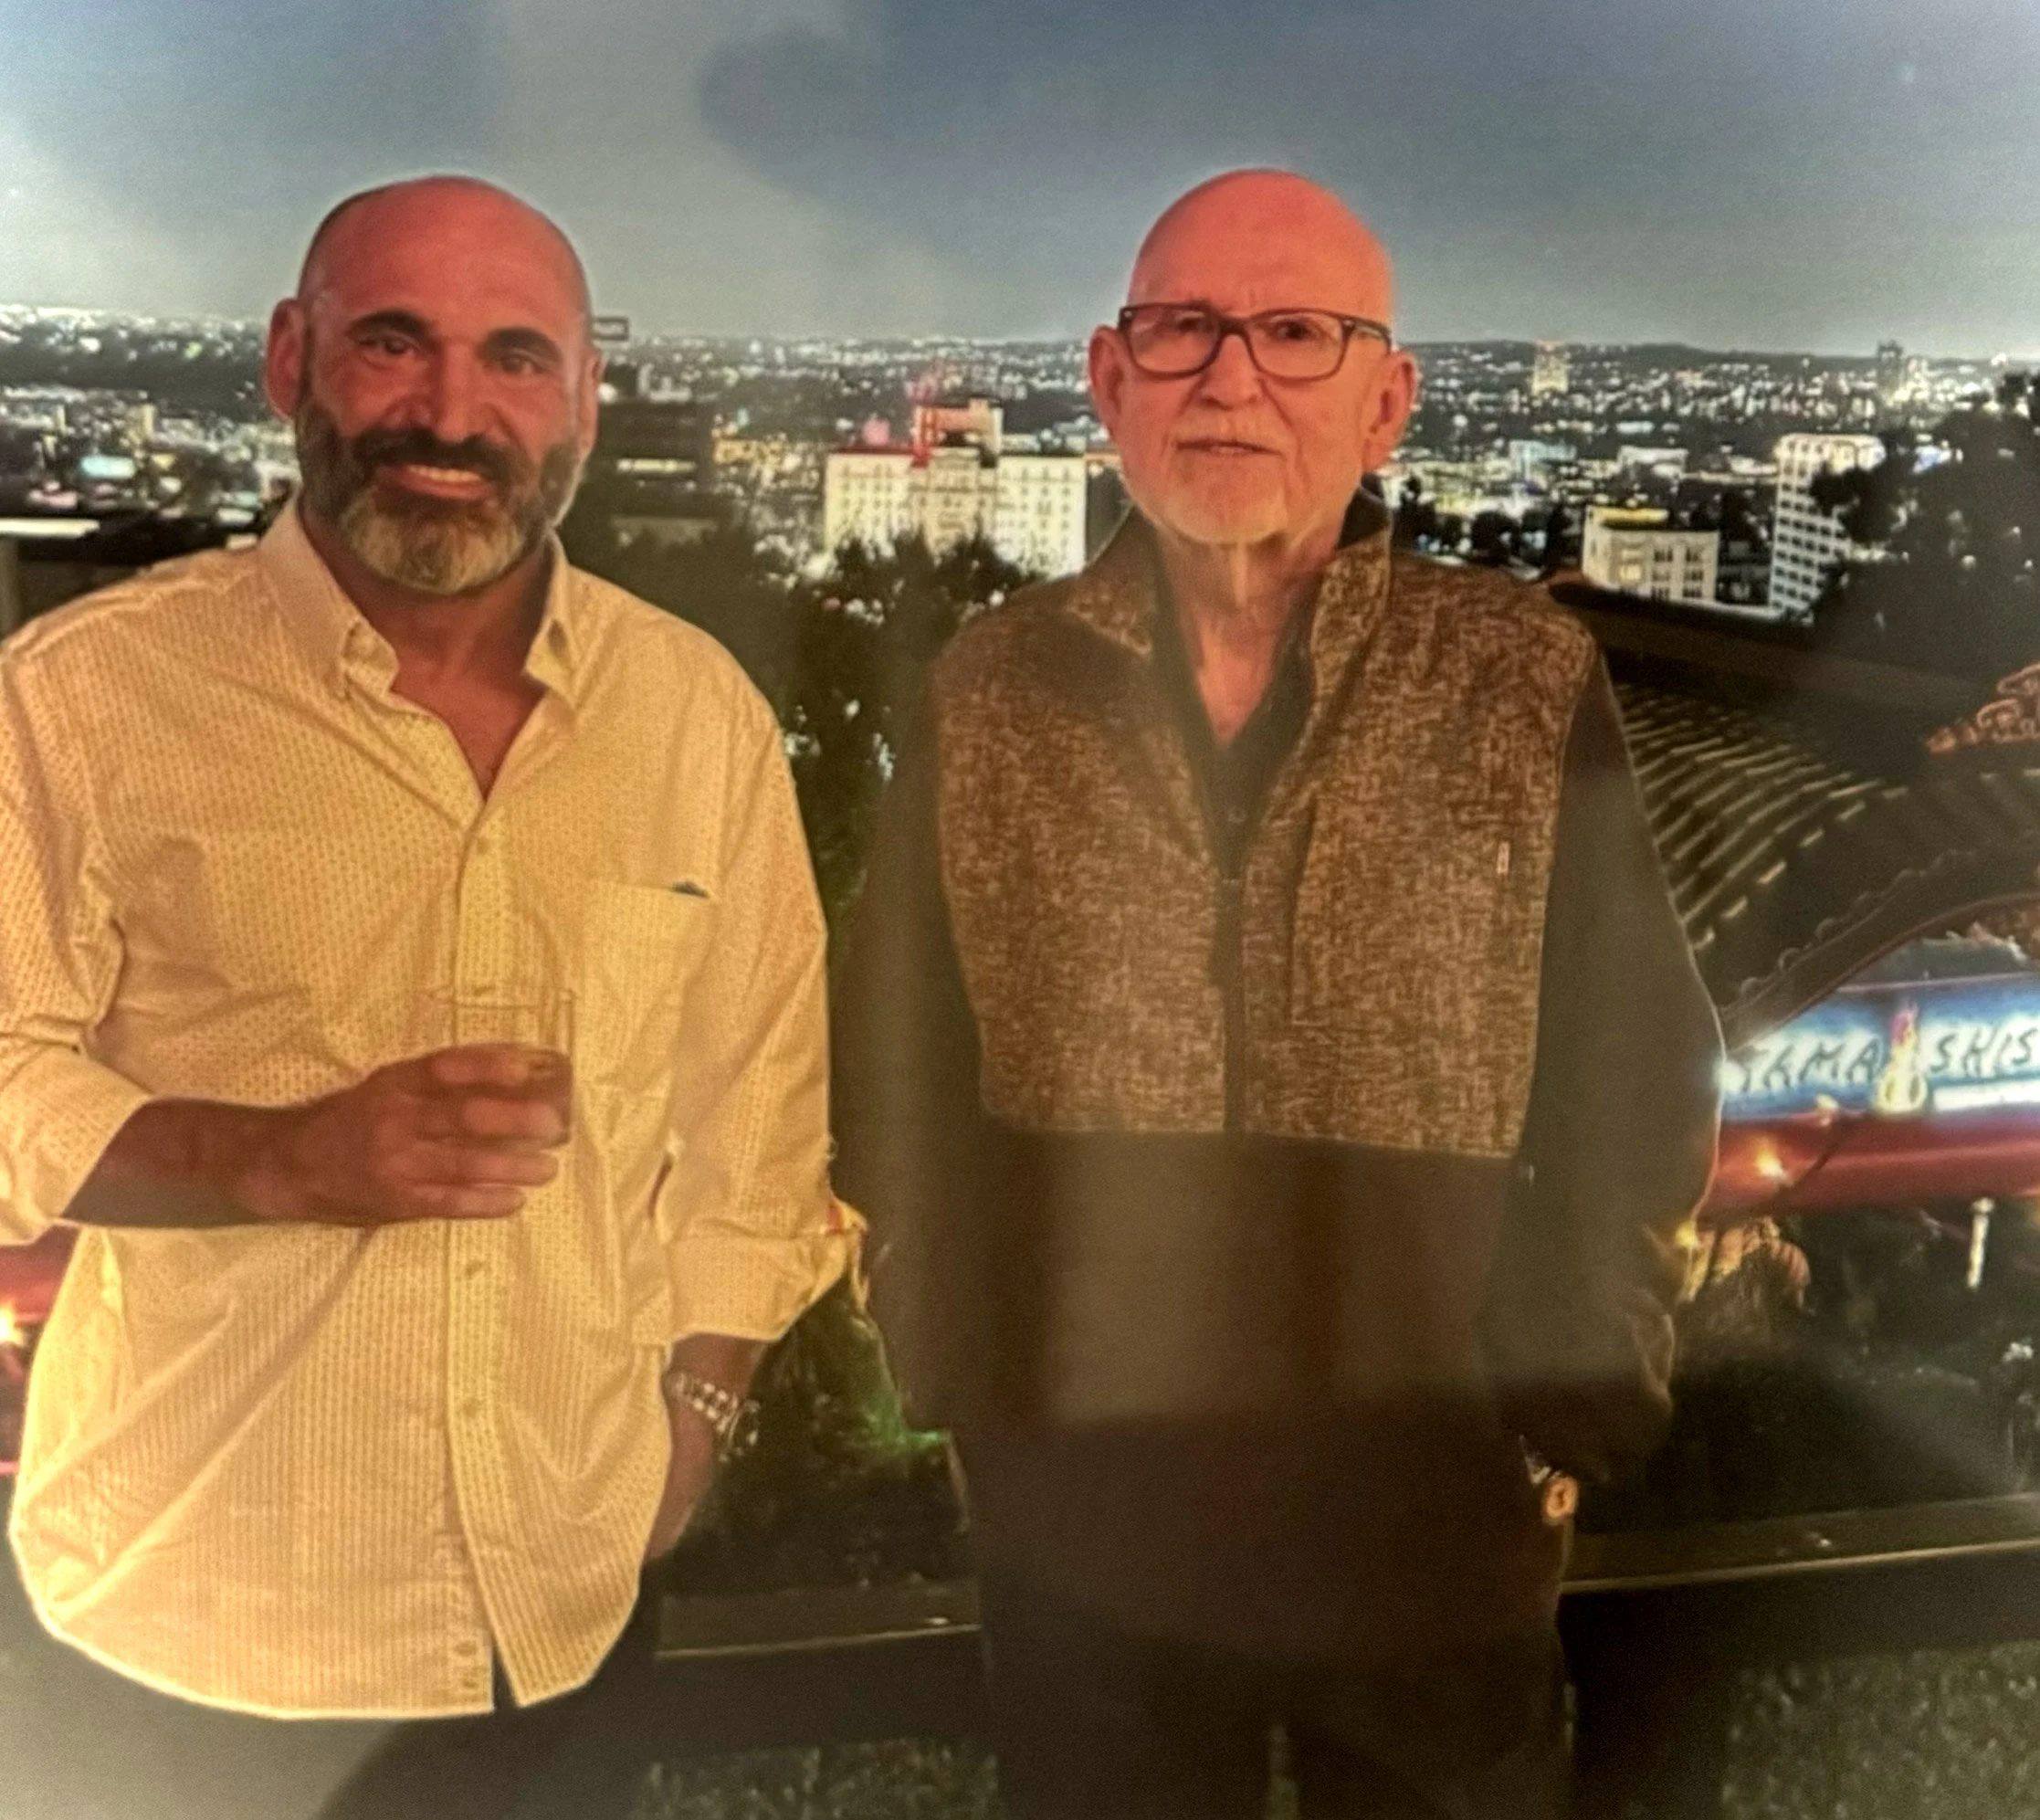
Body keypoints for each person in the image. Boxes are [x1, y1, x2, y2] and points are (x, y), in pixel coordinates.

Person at [831, 169, 1722, 1819]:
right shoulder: (993, 687)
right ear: (1109, 383)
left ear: (1385, 403)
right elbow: (895, 1059)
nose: (1228, 379)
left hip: (1431, 1531)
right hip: (1083, 1540)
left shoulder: (1514, 676)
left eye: (1293, 335)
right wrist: (948, 1359)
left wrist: (1572, 1382)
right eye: (1181, 332)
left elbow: (1632, 1057)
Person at [0, 174, 855, 1817]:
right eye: (392, 343)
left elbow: (756, 1120)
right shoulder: (88, 701)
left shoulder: (693, 720)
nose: (450, 412)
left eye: (515, 357)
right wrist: (273, 1158)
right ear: (287, 359)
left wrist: (698, 1408)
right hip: (195, 1623)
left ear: (586, 399)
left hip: (563, 1612)